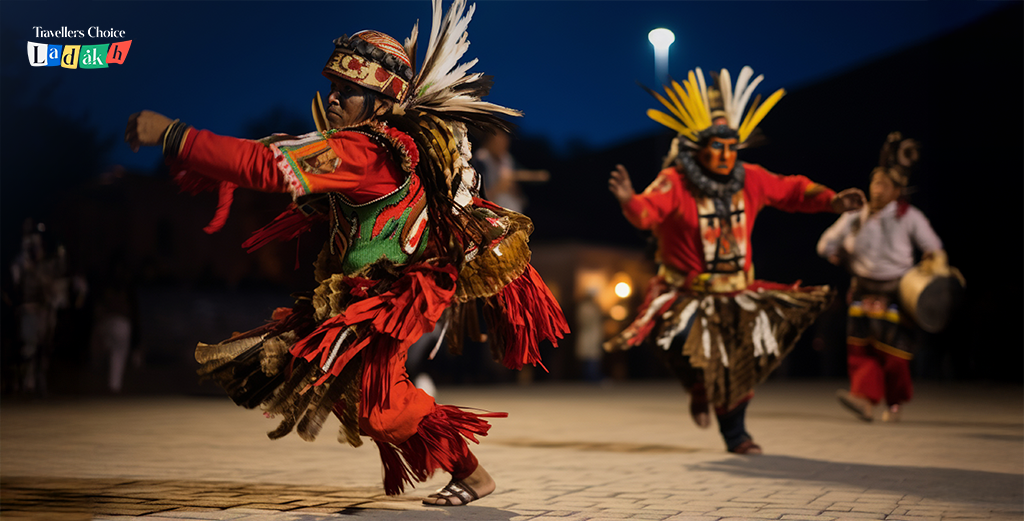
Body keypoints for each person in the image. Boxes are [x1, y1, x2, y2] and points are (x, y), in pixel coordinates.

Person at [125, 1, 567, 506]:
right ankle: (469, 472)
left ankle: (473, 473)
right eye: (333, 89)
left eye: (347, 92)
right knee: (353, 393)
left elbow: (268, 167)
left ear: (380, 101)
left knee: (379, 407)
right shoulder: (359, 143)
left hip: (393, 294)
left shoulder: (365, 152)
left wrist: (172, 134)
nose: (332, 100)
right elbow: (272, 154)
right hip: (370, 288)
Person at [606, 67, 865, 454]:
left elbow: (791, 190)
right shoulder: (676, 182)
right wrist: (629, 200)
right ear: (698, 147)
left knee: (737, 365)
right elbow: (648, 213)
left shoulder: (752, 179)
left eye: (732, 147)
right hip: (686, 294)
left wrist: (832, 200)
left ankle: (737, 436)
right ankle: (698, 387)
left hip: (738, 293)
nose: (727, 155)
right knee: (681, 347)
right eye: (717, 146)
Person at [817, 132, 945, 422]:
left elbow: (934, 247)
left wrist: (931, 261)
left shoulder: (909, 216)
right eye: (875, 183)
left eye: (884, 185)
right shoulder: (855, 215)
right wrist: (836, 254)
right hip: (863, 289)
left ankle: (895, 401)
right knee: (861, 350)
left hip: (897, 290)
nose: (876, 190)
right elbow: (825, 243)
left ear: (897, 190)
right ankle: (864, 400)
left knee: (895, 355)